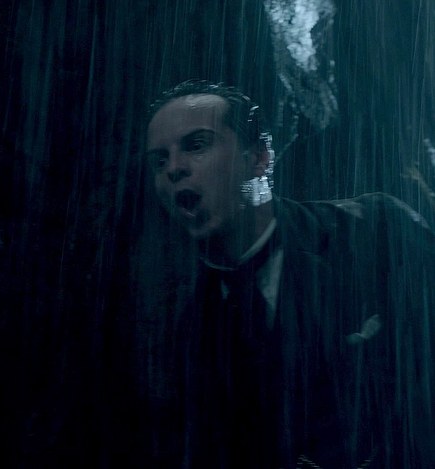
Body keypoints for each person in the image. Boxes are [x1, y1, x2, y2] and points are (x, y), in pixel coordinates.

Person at [137, 80, 435, 467]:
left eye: (196, 144)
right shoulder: (182, 328)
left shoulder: (375, 232)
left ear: (259, 157)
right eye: (160, 161)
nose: (174, 168)